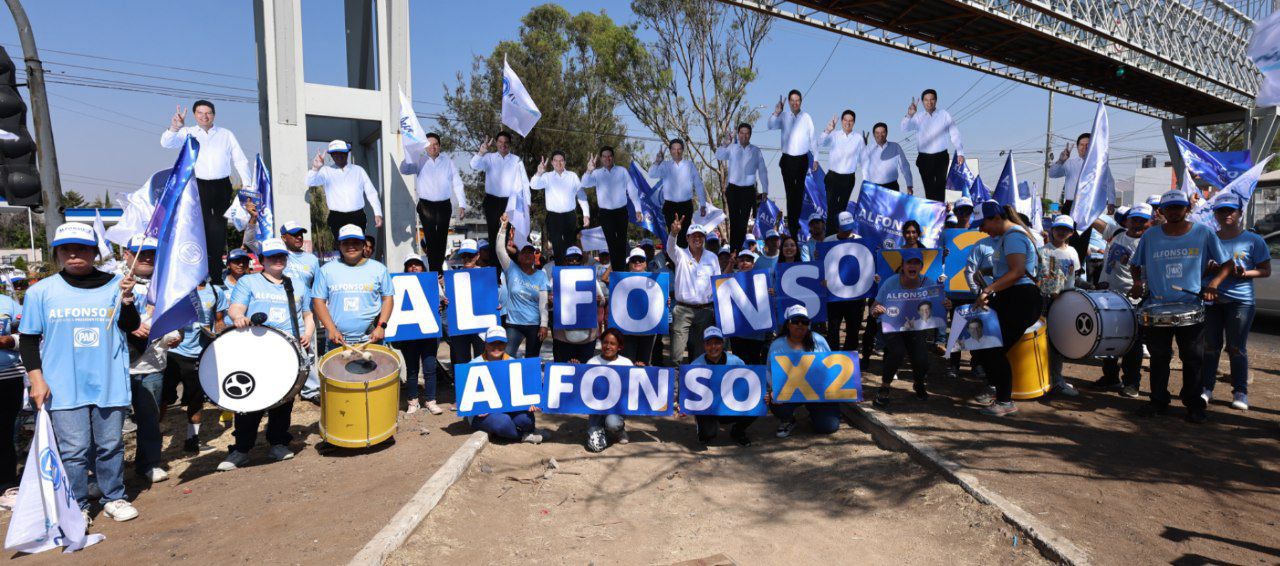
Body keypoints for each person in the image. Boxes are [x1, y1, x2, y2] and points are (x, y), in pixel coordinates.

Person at [19, 223, 142, 522]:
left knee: (110, 445)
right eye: (66, 249)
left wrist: (128, 299)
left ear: (94, 252)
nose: (74, 255)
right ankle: (77, 507)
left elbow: (130, 326)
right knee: (74, 451)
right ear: (57, 254)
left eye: (82, 249)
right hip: (62, 384)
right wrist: (37, 380)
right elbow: (28, 340)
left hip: (109, 380)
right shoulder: (40, 292)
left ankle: (114, 496)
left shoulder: (118, 285)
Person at [1129, 190, 1231, 423]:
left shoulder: (1203, 233)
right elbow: (1136, 264)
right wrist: (1137, 282)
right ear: (1161, 211)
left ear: (1188, 209)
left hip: (1191, 306)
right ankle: (1158, 400)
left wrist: (1213, 284)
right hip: (1157, 307)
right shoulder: (1150, 235)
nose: (1174, 211)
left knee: (1193, 358)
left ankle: (1194, 404)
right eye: (1170, 208)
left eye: (1179, 207)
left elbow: (1227, 263)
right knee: (1159, 356)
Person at [219, 238, 315, 471]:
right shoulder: (249, 281)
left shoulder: (296, 284)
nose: (278, 260)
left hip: (288, 350)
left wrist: (308, 334)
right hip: (255, 349)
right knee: (250, 399)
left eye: (281, 256)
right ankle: (241, 449)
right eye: (272, 256)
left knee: (283, 399)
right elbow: (235, 308)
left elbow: (308, 315)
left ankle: (278, 443)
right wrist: (238, 318)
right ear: (262, 259)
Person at [162, 99, 252, 285]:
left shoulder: (226, 134)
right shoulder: (187, 132)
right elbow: (166, 143)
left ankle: (216, 276)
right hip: (197, 185)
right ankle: (198, 276)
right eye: (200, 113)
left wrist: (247, 185)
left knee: (217, 229)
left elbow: (240, 160)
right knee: (197, 228)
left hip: (221, 186)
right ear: (195, 115)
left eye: (208, 113)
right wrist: (175, 127)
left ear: (214, 115)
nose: (204, 116)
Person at [970, 201, 1043, 417]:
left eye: (982, 224)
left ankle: (1004, 401)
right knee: (987, 347)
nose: (981, 230)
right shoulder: (1007, 237)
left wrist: (988, 289)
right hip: (1011, 297)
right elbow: (1010, 269)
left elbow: (1017, 271)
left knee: (993, 349)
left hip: (1020, 299)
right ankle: (1001, 395)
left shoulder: (1013, 237)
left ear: (995, 218)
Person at [120, 235, 181, 484]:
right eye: (140, 253)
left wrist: (176, 334)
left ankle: (148, 464)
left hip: (153, 364)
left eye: (151, 254)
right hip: (118, 365)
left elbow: (175, 319)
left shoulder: (166, 285)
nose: (146, 258)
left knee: (150, 419)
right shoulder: (113, 282)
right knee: (112, 424)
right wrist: (130, 326)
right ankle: (109, 471)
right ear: (127, 254)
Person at [1201, 195, 1270, 411]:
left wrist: (1245, 273)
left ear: (1240, 213)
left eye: (1231, 210)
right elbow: (1197, 268)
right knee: (1210, 347)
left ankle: (1240, 391)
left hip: (1241, 301)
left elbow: (1265, 270)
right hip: (1212, 300)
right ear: (1215, 214)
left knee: (1236, 348)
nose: (1226, 214)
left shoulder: (1254, 240)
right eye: (1221, 211)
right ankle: (1206, 388)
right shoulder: (1208, 238)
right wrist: (1209, 269)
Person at [870, 250, 942, 407]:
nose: (912, 266)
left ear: (921, 266)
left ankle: (919, 383)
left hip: (915, 326)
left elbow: (938, 306)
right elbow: (873, 307)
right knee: (897, 352)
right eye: (909, 262)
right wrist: (876, 311)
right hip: (892, 324)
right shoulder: (891, 283)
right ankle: (884, 387)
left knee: (921, 358)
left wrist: (946, 305)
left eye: (916, 263)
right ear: (902, 266)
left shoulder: (928, 283)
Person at [1092, 203, 1151, 396]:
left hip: (1133, 300)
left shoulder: (1150, 243)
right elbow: (1090, 219)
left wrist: (1141, 288)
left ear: (1150, 222)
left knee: (1133, 343)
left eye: (1143, 220)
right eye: (1135, 219)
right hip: (1107, 296)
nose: (1138, 223)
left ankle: (1132, 382)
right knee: (1107, 338)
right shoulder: (1116, 233)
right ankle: (1110, 377)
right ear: (1127, 221)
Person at [311, 225, 394, 348]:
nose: (351, 246)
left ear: (363, 245)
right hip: (338, 342)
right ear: (339, 245)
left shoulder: (379, 269)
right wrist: (331, 329)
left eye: (355, 242)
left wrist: (381, 326)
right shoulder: (326, 270)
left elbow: (388, 299)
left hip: (371, 341)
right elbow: (318, 302)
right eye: (346, 243)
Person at [769, 304, 841, 437]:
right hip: (791, 391)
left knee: (828, 426)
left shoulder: (819, 340)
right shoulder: (777, 345)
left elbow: (830, 367)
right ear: (788, 324)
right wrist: (774, 389)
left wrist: (851, 391)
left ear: (809, 324)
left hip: (818, 391)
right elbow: (769, 371)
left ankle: (816, 414)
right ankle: (788, 420)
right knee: (776, 403)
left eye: (804, 322)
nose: (800, 325)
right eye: (795, 321)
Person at [163, 276, 216, 454]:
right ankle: (153, 443)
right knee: (163, 399)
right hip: (174, 353)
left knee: (196, 400)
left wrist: (214, 333)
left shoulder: (215, 291)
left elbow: (219, 320)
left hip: (199, 355)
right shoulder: (175, 289)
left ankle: (192, 440)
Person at [464, 326, 544, 444]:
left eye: (500, 343)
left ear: (506, 344)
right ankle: (524, 436)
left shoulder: (513, 362)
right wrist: (477, 408)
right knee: (503, 423)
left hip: (507, 408)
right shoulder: (473, 365)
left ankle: (527, 430)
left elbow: (526, 389)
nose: (496, 347)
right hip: (482, 414)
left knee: (526, 420)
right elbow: (465, 397)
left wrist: (531, 401)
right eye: (492, 343)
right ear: (485, 344)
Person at [400, 132, 466, 271]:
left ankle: (438, 269)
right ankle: (435, 270)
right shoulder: (419, 160)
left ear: (439, 146)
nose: (432, 147)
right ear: (425, 146)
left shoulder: (448, 162)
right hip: (426, 205)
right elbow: (404, 170)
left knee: (441, 238)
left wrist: (462, 204)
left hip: (444, 205)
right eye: (429, 145)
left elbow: (457, 182)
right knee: (430, 238)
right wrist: (409, 154)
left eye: (435, 144)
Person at [1039, 215, 1083, 397]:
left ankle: (1056, 379)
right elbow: (1038, 277)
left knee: (1059, 341)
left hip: (1066, 300)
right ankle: (1043, 379)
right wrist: (1050, 290)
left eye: (1066, 229)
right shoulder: (1043, 251)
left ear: (1071, 233)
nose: (1061, 232)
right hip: (1046, 301)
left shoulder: (1072, 251)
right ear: (1052, 230)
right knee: (1044, 341)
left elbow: (1074, 275)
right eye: (1058, 228)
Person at [668, 215, 720, 365]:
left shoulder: (712, 257)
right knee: (677, 354)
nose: (697, 238)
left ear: (704, 238)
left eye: (700, 236)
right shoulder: (680, 254)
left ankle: (696, 378)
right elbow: (670, 247)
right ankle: (676, 379)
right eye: (694, 236)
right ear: (687, 238)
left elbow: (717, 284)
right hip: (683, 310)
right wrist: (673, 233)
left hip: (706, 311)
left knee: (700, 355)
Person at [306, 140, 383, 243]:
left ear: (347, 153)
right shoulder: (326, 171)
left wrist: (377, 213)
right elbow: (310, 182)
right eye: (335, 153)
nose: (339, 156)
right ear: (331, 155)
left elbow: (371, 192)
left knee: (358, 245)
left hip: (357, 216)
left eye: (342, 153)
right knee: (341, 246)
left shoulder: (358, 170)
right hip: (336, 217)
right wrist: (315, 168)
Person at [496, 216, 551, 359]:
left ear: (534, 257)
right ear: (519, 256)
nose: (527, 255)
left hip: (534, 325)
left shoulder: (541, 275)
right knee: (507, 357)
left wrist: (544, 325)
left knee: (532, 359)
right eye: (524, 252)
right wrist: (504, 226)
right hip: (513, 324)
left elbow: (543, 302)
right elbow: (500, 250)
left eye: (530, 252)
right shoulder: (511, 269)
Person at [691, 326, 754, 446]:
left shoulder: (735, 361)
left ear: (723, 344)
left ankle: (738, 431)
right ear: (704, 345)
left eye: (717, 343)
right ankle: (703, 425)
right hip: (708, 407)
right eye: (709, 343)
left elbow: (748, 382)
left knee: (757, 402)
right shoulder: (696, 365)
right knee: (707, 435)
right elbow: (690, 393)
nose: (713, 347)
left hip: (730, 404)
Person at [581, 146, 643, 270]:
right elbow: (584, 183)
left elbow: (632, 190)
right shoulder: (597, 173)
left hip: (621, 212)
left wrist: (638, 209)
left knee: (621, 242)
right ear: (601, 159)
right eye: (604, 156)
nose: (607, 158)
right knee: (611, 242)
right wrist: (588, 170)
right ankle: (616, 270)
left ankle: (621, 270)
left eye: (609, 156)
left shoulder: (622, 171)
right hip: (605, 214)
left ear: (613, 157)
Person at [396, 255, 443, 415]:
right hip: (409, 335)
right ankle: (413, 401)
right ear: (405, 268)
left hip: (429, 333)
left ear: (423, 267)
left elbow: (442, 302)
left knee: (430, 369)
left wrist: (442, 305)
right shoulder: (398, 284)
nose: (414, 267)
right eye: (410, 265)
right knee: (412, 369)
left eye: (417, 264)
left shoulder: (432, 282)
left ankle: (431, 401)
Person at [900, 89, 964, 202]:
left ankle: (940, 210)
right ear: (922, 102)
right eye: (926, 100)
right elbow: (904, 128)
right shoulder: (918, 117)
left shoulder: (944, 114)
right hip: (924, 158)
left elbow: (954, 132)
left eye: (932, 99)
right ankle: (933, 211)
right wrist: (909, 114)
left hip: (941, 157)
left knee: (940, 188)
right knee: (929, 189)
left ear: (936, 100)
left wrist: (960, 152)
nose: (929, 102)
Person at [768, 89, 817, 236]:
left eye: (797, 100)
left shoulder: (806, 117)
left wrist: (816, 158)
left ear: (801, 101)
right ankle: (793, 226)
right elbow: (770, 126)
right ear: (789, 102)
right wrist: (776, 112)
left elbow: (812, 138)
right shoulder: (783, 116)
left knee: (799, 193)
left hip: (802, 159)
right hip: (787, 160)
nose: (795, 103)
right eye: (792, 100)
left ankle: (795, 223)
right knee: (790, 193)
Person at [716, 123, 769, 252]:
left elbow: (762, 170)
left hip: (748, 190)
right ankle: (733, 251)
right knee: (734, 220)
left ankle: (738, 250)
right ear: (738, 134)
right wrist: (725, 143)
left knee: (743, 222)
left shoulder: (756, 151)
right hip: (733, 189)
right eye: (742, 133)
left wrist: (765, 189)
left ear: (750, 135)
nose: (744, 136)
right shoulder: (732, 148)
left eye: (747, 133)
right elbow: (718, 155)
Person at [470, 132, 529, 247]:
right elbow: (474, 165)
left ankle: (502, 259)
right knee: (492, 233)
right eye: (500, 142)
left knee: (504, 235)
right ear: (496, 143)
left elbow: (524, 183)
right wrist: (481, 152)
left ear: (510, 144)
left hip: (509, 203)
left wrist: (527, 203)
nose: (503, 145)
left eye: (506, 142)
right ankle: (493, 258)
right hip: (491, 201)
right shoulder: (488, 157)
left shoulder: (516, 160)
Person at [549, 246, 605, 363]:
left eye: (577, 259)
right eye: (570, 259)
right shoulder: (556, 279)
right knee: (563, 368)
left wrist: (598, 300)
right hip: (563, 336)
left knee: (584, 369)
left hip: (587, 337)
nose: (574, 261)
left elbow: (603, 301)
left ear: (582, 260)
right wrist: (550, 301)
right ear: (565, 260)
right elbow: (548, 302)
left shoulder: (590, 277)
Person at [531, 152, 590, 259]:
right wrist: (539, 173)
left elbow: (581, 195)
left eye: (561, 160)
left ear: (565, 162)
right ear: (552, 163)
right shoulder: (547, 176)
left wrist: (586, 214)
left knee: (571, 245)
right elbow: (533, 185)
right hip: (553, 217)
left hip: (569, 216)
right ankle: (559, 266)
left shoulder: (572, 176)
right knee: (557, 246)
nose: (558, 163)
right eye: (556, 160)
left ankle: (571, 265)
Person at [650, 139, 706, 249]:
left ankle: (684, 257)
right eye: (674, 149)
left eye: (679, 149)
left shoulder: (689, 165)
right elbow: (652, 174)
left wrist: (703, 204)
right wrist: (657, 161)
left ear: (683, 150)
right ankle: (672, 258)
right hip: (670, 206)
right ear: (670, 151)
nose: (677, 152)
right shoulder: (665, 165)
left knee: (684, 236)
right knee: (673, 235)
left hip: (686, 206)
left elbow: (698, 184)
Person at [1049, 134, 1095, 263]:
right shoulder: (1070, 162)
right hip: (1070, 204)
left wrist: (1111, 201)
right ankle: (1059, 263)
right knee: (1064, 236)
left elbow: (1108, 182)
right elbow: (1052, 174)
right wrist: (1061, 160)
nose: (1084, 148)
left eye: (1088, 145)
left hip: (1086, 206)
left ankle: (1077, 268)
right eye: (1081, 145)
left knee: (1082, 239)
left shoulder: (1098, 163)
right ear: (1077, 146)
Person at [584, 329, 632, 452]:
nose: (608, 346)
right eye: (605, 342)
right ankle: (599, 428)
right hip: (596, 410)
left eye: (612, 343)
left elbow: (633, 389)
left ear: (619, 347)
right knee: (595, 447)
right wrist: (574, 367)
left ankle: (619, 430)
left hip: (616, 409)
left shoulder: (626, 363)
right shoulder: (592, 362)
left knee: (612, 423)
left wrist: (640, 371)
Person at [824, 212, 865, 352]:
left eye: (850, 227)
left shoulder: (860, 240)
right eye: (844, 228)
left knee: (853, 329)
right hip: (834, 295)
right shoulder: (827, 242)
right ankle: (834, 356)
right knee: (833, 328)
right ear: (837, 228)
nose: (848, 231)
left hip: (855, 296)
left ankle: (850, 357)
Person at [818, 110, 866, 227]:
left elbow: (864, 160)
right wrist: (828, 130)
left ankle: (839, 234)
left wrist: (866, 179)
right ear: (841, 121)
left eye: (850, 121)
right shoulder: (834, 135)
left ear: (854, 122)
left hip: (848, 179)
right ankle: (830, 235)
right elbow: (820, 142)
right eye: (845, 120)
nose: (848, 123)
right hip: (833, 177)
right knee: (831, 209)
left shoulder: (859, 138)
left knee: (842, 210)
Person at [0, 286, 24, 509]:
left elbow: (33, 333)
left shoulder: (7, 303)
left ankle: (6, 485)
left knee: (5, 434)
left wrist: (9, 341)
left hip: (7, 377)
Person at [728, 250, 770, 364]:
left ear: (753, 264)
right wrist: (730, 264)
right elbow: (720, 280)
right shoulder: (730, 278)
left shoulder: (761, 279)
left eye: (748, 260)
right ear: (737, 263)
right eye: (741, 260)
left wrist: (770, 293)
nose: (744, 263)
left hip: (756, 334)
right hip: (737, 332)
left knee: (754, 361)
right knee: (738, 362)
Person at [863, 122, 913, 193]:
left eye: (883, 132)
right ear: (874, 134)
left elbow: (904, 166)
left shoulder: (895, 146)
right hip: (874, 189)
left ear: (887, 133)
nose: (880, 135)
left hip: (892, 187)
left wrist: (909, 185)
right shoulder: (868, 149)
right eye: (877, 133)